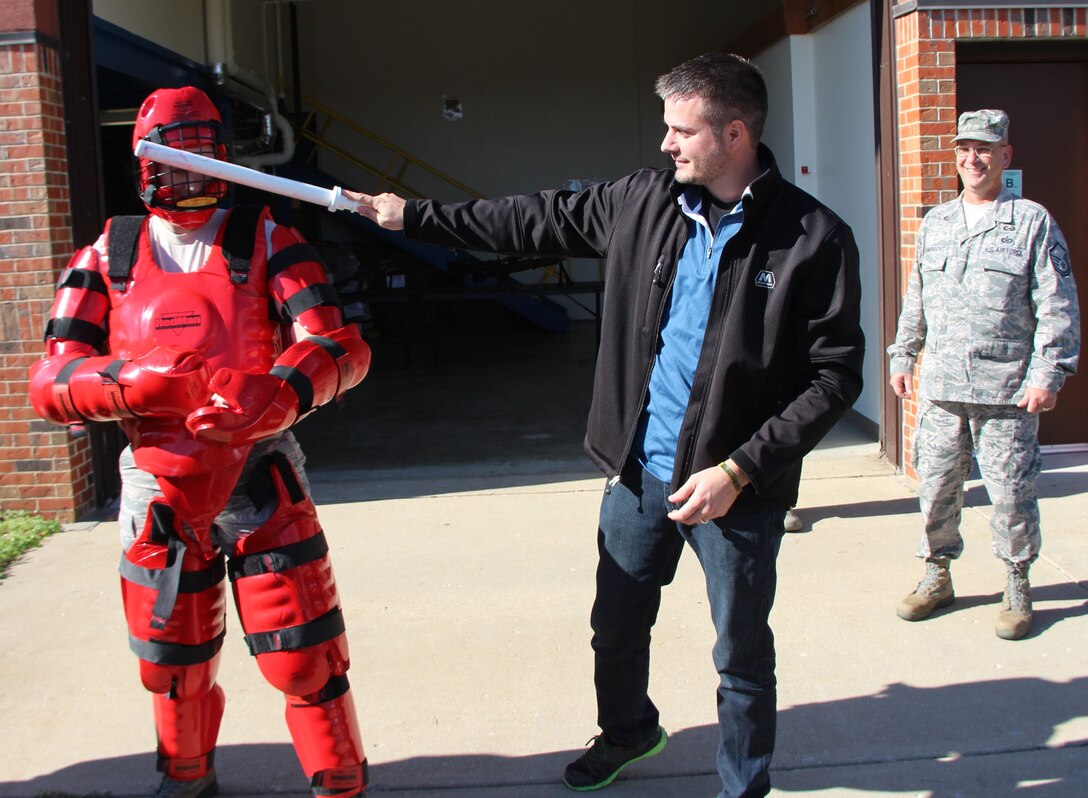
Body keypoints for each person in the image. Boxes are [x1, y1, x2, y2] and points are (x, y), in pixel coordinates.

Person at [348, 52, 864, 798]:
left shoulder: (813, 237)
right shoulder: (642, 202)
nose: (665, 145)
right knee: (616, 627)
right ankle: (628, 732)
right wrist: (417, 217)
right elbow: (530, 220)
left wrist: (739, 470)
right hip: (638, 475)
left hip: (735, 494)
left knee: (741, 655)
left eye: (682, 131)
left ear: (735, 133)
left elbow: (835, 375)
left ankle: (744, 786)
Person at [29, 87, 373, 798]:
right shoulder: (107, 251)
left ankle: (339, 782)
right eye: (170, 157)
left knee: (305, 656)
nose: (186, 174)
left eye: (199, 153)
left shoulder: (269, 236)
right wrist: (128, 384)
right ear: (145, 162)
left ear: (223, 155)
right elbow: (51, 379)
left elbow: (340, 344)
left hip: (260, 469)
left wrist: (278, 394)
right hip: (157, 488)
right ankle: (185, 779)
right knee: (172, 660)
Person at [888, 109, 1080, 641]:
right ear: (955, 156)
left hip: (1007, 392)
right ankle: (937, 574)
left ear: (1005, 156)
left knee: (1012, 494)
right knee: (937, 489)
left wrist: (1049, 373)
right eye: (964, 149)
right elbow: (917, 298)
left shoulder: (1032, 222)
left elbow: (1058, 305)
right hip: (943, 389)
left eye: (985, 149)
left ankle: (1016, 583)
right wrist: (903, 355)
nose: (973, 159)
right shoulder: (937, 223)